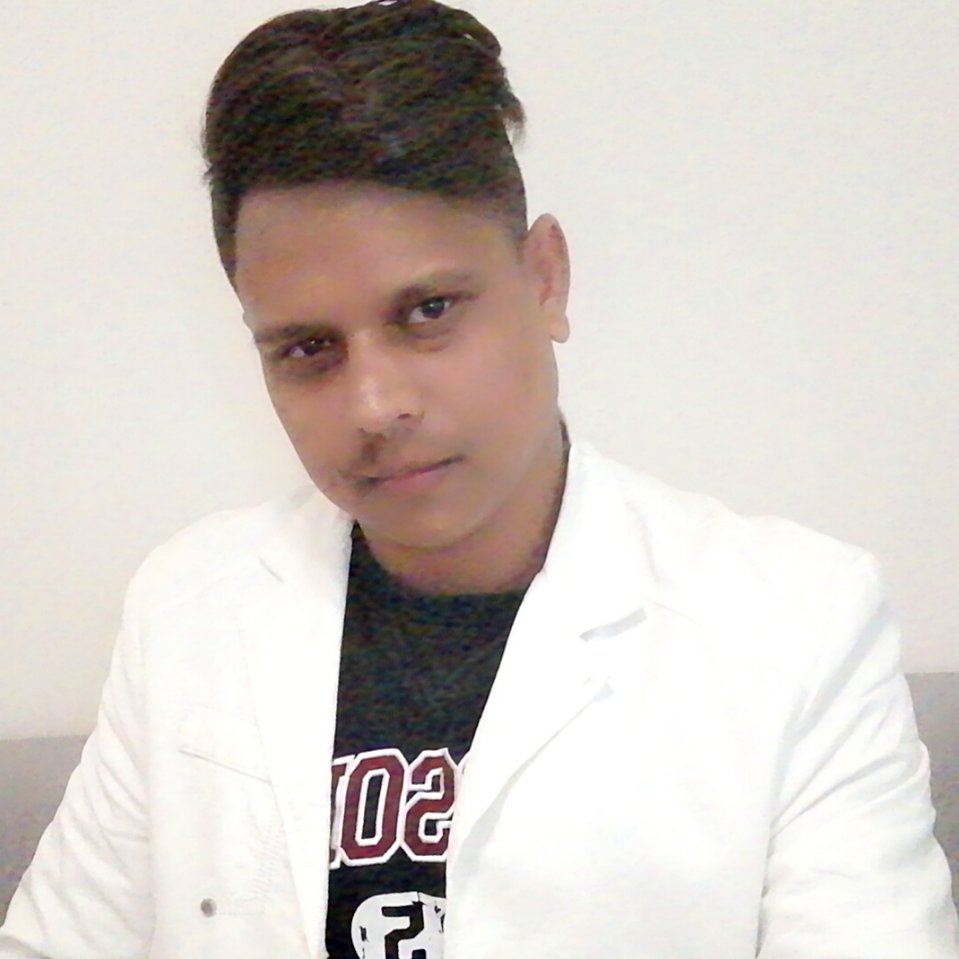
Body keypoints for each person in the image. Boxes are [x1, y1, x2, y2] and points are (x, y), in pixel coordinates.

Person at [1, 1, 956, 956]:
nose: (375, 404)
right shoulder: (188, 608)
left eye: (427, 311)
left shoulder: (794, 629)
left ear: (545, 279)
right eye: (307, 348)